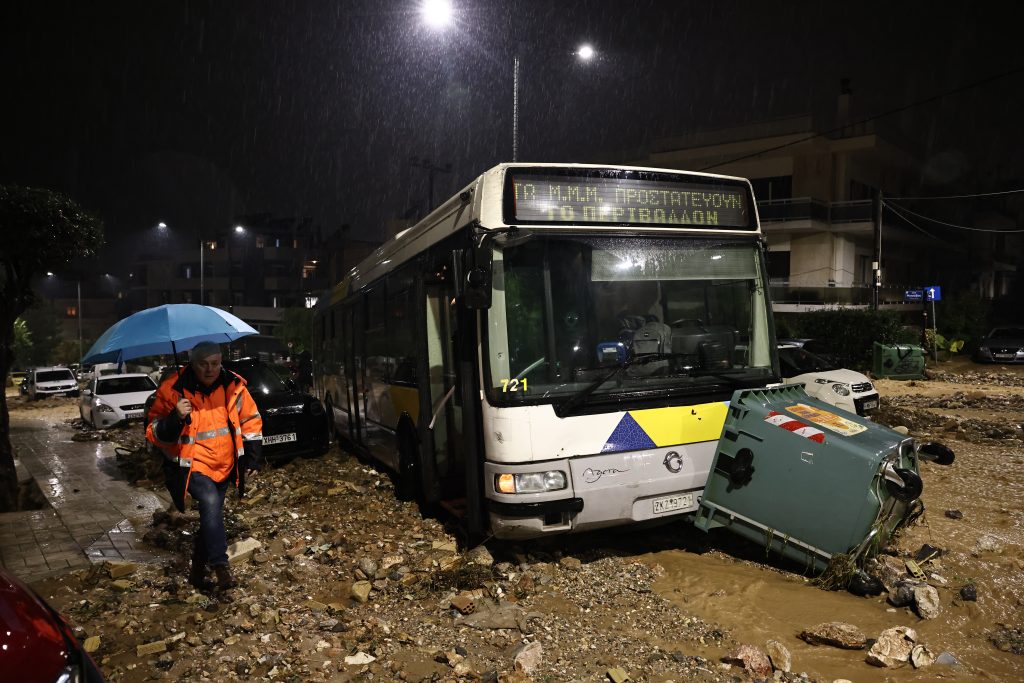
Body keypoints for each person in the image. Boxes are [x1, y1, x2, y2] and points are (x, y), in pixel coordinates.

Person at [146, 341, 263, 591]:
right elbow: (154, 433)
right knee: (210, 504)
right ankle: (221, 566)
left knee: (212, 518)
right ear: (193, 363)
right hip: (192, 466)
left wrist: (253, 456)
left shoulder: (233, 386)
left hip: (225, 466)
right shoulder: (172, 390)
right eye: (203, 364)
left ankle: (197, 573)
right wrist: (175, 417)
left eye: (215, 363)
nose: (210, 369)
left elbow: (251, 420)